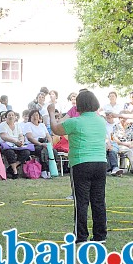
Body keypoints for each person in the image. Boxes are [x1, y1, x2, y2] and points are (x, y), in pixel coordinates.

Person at [48, 90, 108, 244]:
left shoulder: (75, 122)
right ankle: (100, 235)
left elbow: (55, 129)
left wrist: (50, 113)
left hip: (81, 163)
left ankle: (81, 236)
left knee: (81, 201)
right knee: (99, 200)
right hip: (100, 162)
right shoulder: (101, 121)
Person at [0, 110, 31, 179]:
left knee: (26, 152)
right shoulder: (2, 125)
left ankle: (12, 167)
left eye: (12, 115)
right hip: (5, 145)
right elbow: (4, 136)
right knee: (10, 152)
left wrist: (21, 141)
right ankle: (15, 171)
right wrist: (15, 141)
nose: (11, 116)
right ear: (6, 117)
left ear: (15, 117)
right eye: (9, 115)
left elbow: (21, 135)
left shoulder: (17, 125)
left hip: (16, 146)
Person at [24, 109, 57, 179]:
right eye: (33, 115)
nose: (35, 117)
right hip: (34, 145)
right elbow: (30, 137)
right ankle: (44, 170)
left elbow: (48, 136)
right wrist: (40, 144)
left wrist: (50, 144)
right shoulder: (28, 125)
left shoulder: (42, 125)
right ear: (30, 117)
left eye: (37, 115)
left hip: (45, 144)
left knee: (53, 151)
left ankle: (51, 169)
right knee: (41, 151)